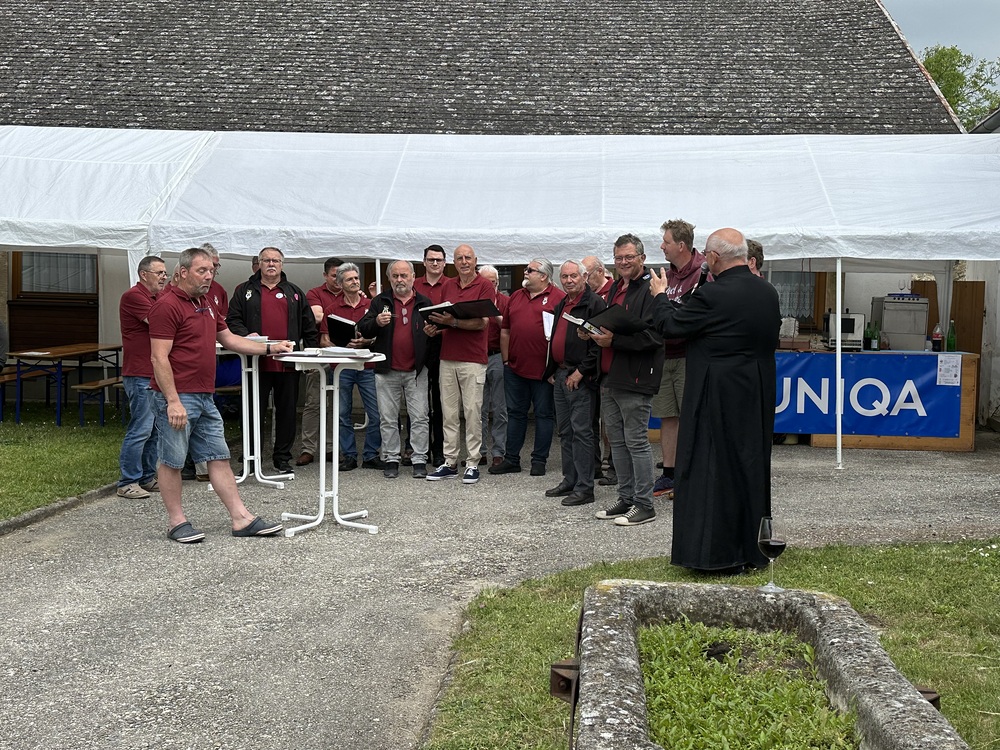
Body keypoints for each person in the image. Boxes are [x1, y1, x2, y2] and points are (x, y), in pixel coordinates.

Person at [648, 227, 781, 572]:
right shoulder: (767, 291)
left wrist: (660, 295)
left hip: (717, 391)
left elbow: (672, 326)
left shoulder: (713, 294)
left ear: (714, 257)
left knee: (711, 468)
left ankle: (715, 553)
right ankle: (753, 547)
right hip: (756, 391)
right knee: (749, 465)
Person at [148, 246, 293, 543]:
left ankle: (241, 519)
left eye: (212, 271)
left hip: (205, 395)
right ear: (183, 272)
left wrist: (270, 348)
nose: (208, 276)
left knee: (219, 457)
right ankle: (177, 522)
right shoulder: (167, 305)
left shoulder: (206, 302)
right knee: (172, 460)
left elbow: (229, 339)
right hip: (178, 396)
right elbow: (158, 358)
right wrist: (173, 401)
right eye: (202, 270)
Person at [588, 234, 664, 527]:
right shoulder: (617, 287)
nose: (623, 262)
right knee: (617, 442)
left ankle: (644, 504)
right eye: (619, 258)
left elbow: (654, 337)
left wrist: (614, 341)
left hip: (635, 377)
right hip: (610, 375)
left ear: (642, 258)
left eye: (629, 257)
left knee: (636, 442)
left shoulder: (651, 289)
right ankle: (626, 497)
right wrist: (592, 332)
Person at [226, 246, 318, 473]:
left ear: (281, 264)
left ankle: (282, 459)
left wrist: (311, 357)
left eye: (275, 260)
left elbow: (309, 327)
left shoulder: (294, 292)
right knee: (252, 411)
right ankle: (250, 458)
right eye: (266, 260)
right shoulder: (244, 290)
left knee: (287, 412)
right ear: (259, 264)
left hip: (287, 363)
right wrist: (246, 335)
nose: (271, 264)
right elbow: (232, 320)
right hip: (255, 364)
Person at [423, 244, 493, 484]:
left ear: (475, 260)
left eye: (468, 258)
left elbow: (482, 323)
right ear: (453, 262)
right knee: (449, 413)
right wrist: (435, 328)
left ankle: (473, 462)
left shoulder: (484, 285)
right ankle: (450, 461)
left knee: (472, 412)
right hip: (447, 356)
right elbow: (445, 319)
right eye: (459, 258)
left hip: (473, 358)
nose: (464, 262)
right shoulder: (448, 285)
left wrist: (452, 323)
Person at [358, 260, 433, 479]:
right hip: (387, 369)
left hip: (416, 370)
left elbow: (434, 333)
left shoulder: (424, 302)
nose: (400, 280)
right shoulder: (380, 301)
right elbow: (363, 328)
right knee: (388, 418)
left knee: (420, 417)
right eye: (395, 276)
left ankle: (419, 459)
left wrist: (431, 334)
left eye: (404, 275)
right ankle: (391, 458)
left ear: (413, 277)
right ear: (389, 278)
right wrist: (376, 323)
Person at [490, 258, 564, 476]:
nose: (525, 272)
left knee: (543, 415)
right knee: (515, 414)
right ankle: (511, 459)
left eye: (530, 270)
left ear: (543, 276)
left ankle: (539, 460)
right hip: (515, 369)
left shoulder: (558, 298)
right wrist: (506, 361)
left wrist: (555, 367)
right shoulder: (516, 296)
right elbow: (505, 330)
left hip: (544, 371)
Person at [651, 219, 706, 501]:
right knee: (667, 416)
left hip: (689, 355)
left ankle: (690, 474)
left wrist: (663, 301)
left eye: (666, 242)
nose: (662, 246)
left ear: (681, 245)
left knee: (690, 416)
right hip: (665, 354)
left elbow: (690, 317)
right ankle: (669, 473)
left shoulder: (703, 272)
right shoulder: (667, 275)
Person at [543, 260, 605, 506]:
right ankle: (570, 479)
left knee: (582, 433)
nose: (568, 281)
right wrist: (552, 370)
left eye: (573, 276)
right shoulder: (563, 303)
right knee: (566, 432)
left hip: (579, 377)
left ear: (584, 276)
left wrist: (581, 371)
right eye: (564, 277)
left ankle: (585, 488)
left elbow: (599, 343)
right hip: (561, 374)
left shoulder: (593, 303)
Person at [116, 254, 168, 499]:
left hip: (154, 372)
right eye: (159, 273)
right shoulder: (134, 296)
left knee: (154, 429)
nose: (164, 277)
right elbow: (159, 322)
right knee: (141, 428)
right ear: (143, 274)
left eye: (165, 273)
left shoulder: (158, 297)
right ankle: (127, 481)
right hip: (140, 372)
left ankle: (147, 477)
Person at [324, 263, 382, 471]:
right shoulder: (332, 310)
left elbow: (382, 335)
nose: (355, 282)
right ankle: (348, 455)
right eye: (349, 279)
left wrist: (367, 341)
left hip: (368, 365)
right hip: (342, 367)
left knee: (376, 413)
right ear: (340, 284)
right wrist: (340, 347)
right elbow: (323, 340)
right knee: (342, 414)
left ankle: (371, 455)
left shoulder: (371, 305)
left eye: (356, 278)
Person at [296, 256, 344, 466]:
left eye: (342, 275)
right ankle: (308, 449)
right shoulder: (314, 293)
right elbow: (316, 317)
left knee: (336, 404)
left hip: (343, 357)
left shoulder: (352, 292)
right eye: (334, 276)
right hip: (319, 355)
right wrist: (343, 318)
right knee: (313, 403)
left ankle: (331, 448)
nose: (339, 280)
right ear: (325, 275)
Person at [413, 244, 449, 467]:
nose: (435, 263)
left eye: (439, 260)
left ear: (445, 263)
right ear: (424, 262)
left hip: (443, 348)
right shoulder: (414, 284)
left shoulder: (452, 285)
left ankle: (439, 449)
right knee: (417, 403)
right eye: (431, 259)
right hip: (417, 347)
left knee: (440, 402)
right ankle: (418, 448)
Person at [582, 254, 616, 484]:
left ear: (600, 272)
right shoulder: (587, 295)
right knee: (591, 419)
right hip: (591, 365)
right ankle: (594, 465)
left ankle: (612, 464)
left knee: (611, 421)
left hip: (610, 363)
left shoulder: (613, 291)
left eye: (587, 274)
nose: (584, 280)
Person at [477, 265, 509, 468]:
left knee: (499, 408)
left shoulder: (505, 301)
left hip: (497, 356)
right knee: (477, 408)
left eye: (493, 283)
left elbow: (511, 327)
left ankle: (498, 451)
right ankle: (479, 451)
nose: (490, 286)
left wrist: (496, 314)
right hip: (477, 357)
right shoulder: (475, 300)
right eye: (485, 283)